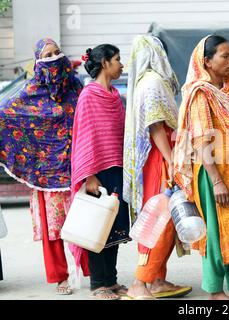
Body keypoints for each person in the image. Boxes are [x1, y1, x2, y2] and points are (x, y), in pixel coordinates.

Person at [0, 38, 89, 295]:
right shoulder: (30, 92)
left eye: (57, 52)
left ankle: (91, 271)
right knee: (54, 230)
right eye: (47, 54)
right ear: (38, 61)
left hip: (76, 168)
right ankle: (59, 276)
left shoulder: (76, 87)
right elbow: (5, 114)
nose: (53, 58)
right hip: (44, 174)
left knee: (85, 223)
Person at [173, 35, 229, 300]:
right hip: (212, 172)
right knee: (215, 232)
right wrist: (216, 180)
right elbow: (201, 141)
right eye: (225, 56)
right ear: (207, 61)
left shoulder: (225, 93)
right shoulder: (201, 94)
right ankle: (215, 290)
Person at [123, 35, 192, 299]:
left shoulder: (149, 82)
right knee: (159, 221)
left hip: (160, 156)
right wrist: (171, 159)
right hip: (159, 158)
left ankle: (157, 280)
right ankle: (139, 284)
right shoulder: (151, 83)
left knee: (168, 220)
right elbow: (155, 126)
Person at [71, 44, 131, 300]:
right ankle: (98, 284)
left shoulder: (115, 95)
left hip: (117, 168)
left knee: (114, 226)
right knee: (98, 227)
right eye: (117, 59)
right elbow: (84, 137)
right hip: (97, 172)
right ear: (105, 63)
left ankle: (112, 280)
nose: (121, 64)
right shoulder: (89, 95)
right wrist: (89, 175)